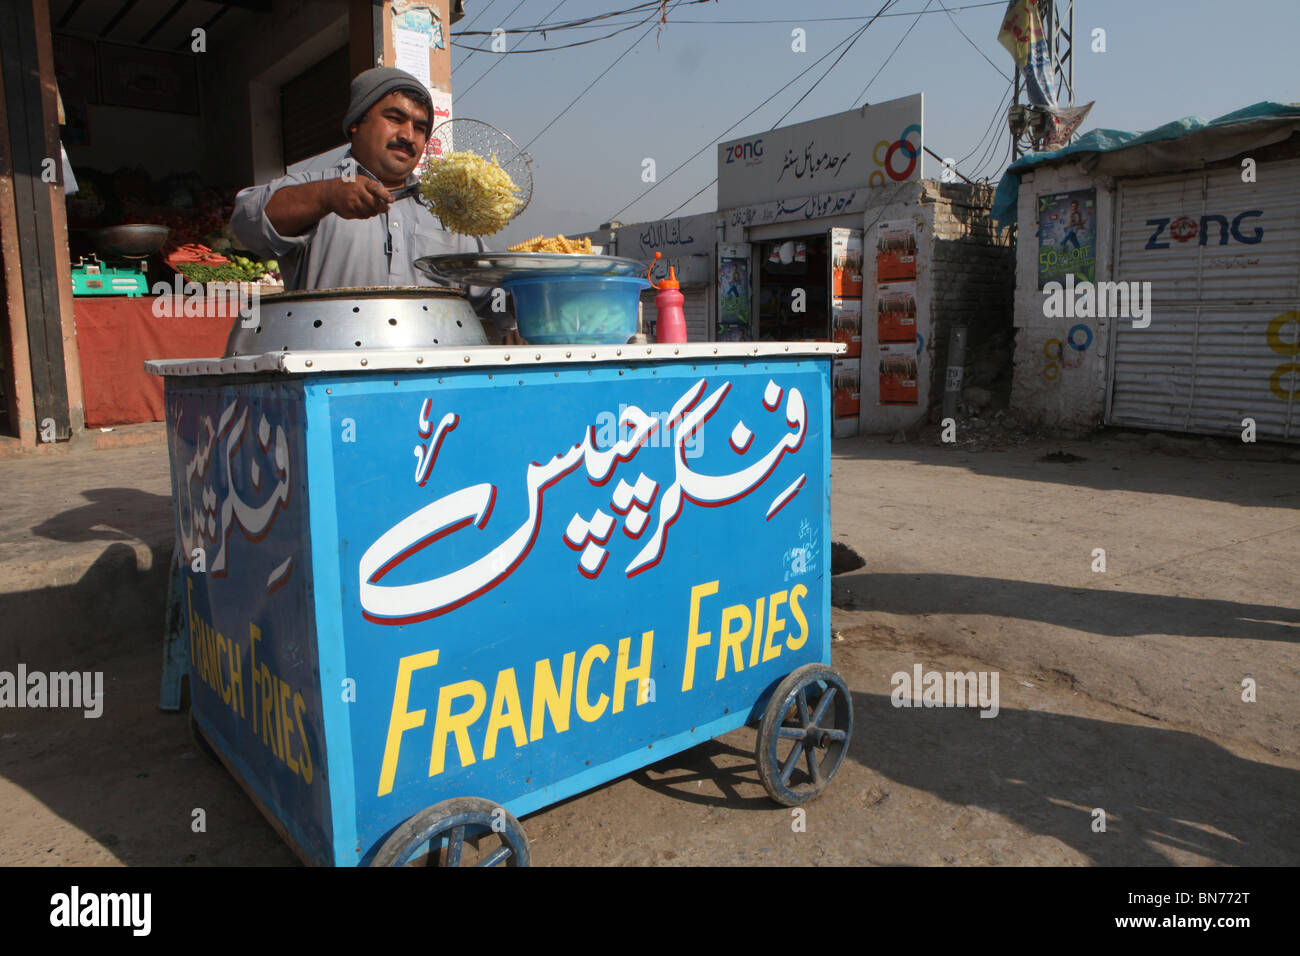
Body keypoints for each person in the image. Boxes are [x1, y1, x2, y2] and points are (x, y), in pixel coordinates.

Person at [230, 66, 516, 341]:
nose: (408, 136)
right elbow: (247, 221)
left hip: (431, 368)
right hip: (332, 366)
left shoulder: (446, 211)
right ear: (356, 123)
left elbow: (493, 295)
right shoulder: (316, 188)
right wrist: (326, 196)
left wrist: (524, 298)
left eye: (419, 128)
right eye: (395, 118)